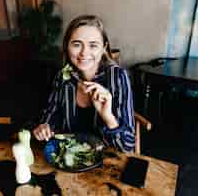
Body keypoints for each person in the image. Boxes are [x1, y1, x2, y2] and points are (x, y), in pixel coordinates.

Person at [32, 15, 135, 152]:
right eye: (76, 44)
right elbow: (50, 114)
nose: (84, 52)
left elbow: (127, 146)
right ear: (67, 47)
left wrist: (108, 117)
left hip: (107, 162)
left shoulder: (117, 77)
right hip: (69, 156)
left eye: (93, 45)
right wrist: (45, 126)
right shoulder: (63, 77)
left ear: (104, 48)